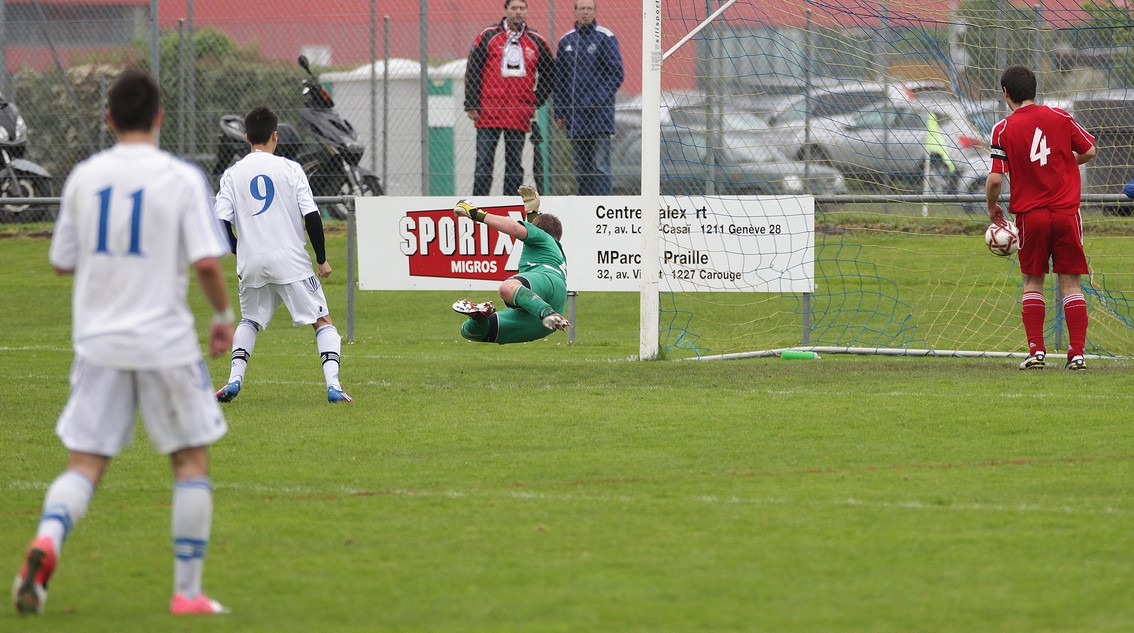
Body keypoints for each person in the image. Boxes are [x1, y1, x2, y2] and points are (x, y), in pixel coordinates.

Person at [12, 68, 234, 616]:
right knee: (189, 462)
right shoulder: (181, 178)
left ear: (108, 119)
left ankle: (47, 541)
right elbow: (205, 260)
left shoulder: (85, 178)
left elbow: (61, 262)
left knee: (84, 464)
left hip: (99, 343)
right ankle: (187, 593)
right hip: (165, 342)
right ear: (159, 117)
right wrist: (223, 314)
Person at [213, 106, 352, 403]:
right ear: (275, 136)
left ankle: (233, 380)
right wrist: (322, 258)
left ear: (247, 137)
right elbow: (312, 215)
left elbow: (220, 220)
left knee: (249, 320)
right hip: (289, 260)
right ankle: (334, 385)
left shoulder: (232, 174)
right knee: (322, 321)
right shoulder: (290, 169)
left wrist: (238, 248)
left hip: (251, 263)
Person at [986, 65, 1097, 371]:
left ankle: (1036, 352)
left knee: (1033, 281)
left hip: (1030, 216)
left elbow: (995, 180)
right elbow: (1089, 150)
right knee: (1071, 283)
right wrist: (1065, 160)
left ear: (1006, 93)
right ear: (1034, 89)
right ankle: (1077, 355)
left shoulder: (1003, 129)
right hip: (1065, 214)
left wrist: (992, 208)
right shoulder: (1060, 117)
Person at [451, 184, 570, 343]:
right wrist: (532, 213)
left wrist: (475, 213)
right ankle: (479, 316)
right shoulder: (553, 246)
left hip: (545, 286)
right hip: (546, 313)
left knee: (507, 288)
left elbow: (515, 227)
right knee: (471, 331)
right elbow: (533, 233)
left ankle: (547, 313)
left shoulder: (540, 236)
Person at [465, 0, 554, 197]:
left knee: (515, 164)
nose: (518, 12)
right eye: (514, 8)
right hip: (489, 111)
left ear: (527, 11)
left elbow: (550, 73)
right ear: (506, 10)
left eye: (522, 8)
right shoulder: (488, 36)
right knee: (483, 163)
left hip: (519, 113)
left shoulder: (536, 40)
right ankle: (479, 205)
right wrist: (471, 103)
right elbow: (473, 70)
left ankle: (510, 205)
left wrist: (536, 100)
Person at [553, 0, 624, 195]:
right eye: (581, 8)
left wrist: (595, 100)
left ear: (595, 12)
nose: (585, 12)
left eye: (589, 9)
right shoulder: (566, 41)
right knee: (580, 168)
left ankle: (602, 207)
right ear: (575, 12)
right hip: (575, 118)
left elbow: (616, 74)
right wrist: (559, 112)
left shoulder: (605, 37)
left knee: (600, 165)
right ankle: (585, 207)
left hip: (599, 116)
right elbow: (559, 80)